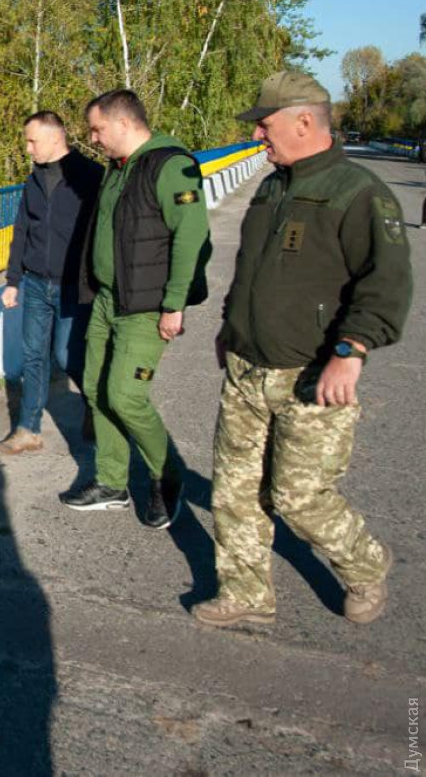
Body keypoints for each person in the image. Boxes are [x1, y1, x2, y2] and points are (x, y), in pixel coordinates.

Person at [194, 70, 412, 627]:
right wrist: (230, 327)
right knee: (235, 490)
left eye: (265, 125)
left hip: (310, 374)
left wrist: (351, 350)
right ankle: (246, 594)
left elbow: (386, 284)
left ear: (304, 122)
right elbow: (251, 270)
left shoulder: (357, 193)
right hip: (246, 367)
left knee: (299, 495)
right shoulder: (274, 186)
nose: (257, 136)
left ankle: (365, 565)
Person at [60, 89, 211, 529]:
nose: (93, 138)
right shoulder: (119, 167)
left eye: (97, 129)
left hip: (147, 306)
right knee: (95, 388)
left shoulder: (169, 165)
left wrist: (174, 304)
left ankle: (168, 476)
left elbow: (191, 236)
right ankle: (111, 482)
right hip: (108, 299)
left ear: (123, 124)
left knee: (125, 396)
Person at [0, 111, 102, 456]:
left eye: (32, 141)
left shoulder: (91, 176)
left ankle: (96, 407)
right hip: (37, 284)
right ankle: (28, 429)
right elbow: (22, 230)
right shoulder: (34, 181)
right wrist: (13, 281)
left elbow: (103, 232)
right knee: (33, 356)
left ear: (56, 138)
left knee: (68, 357)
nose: (28, 148)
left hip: (74, 286)